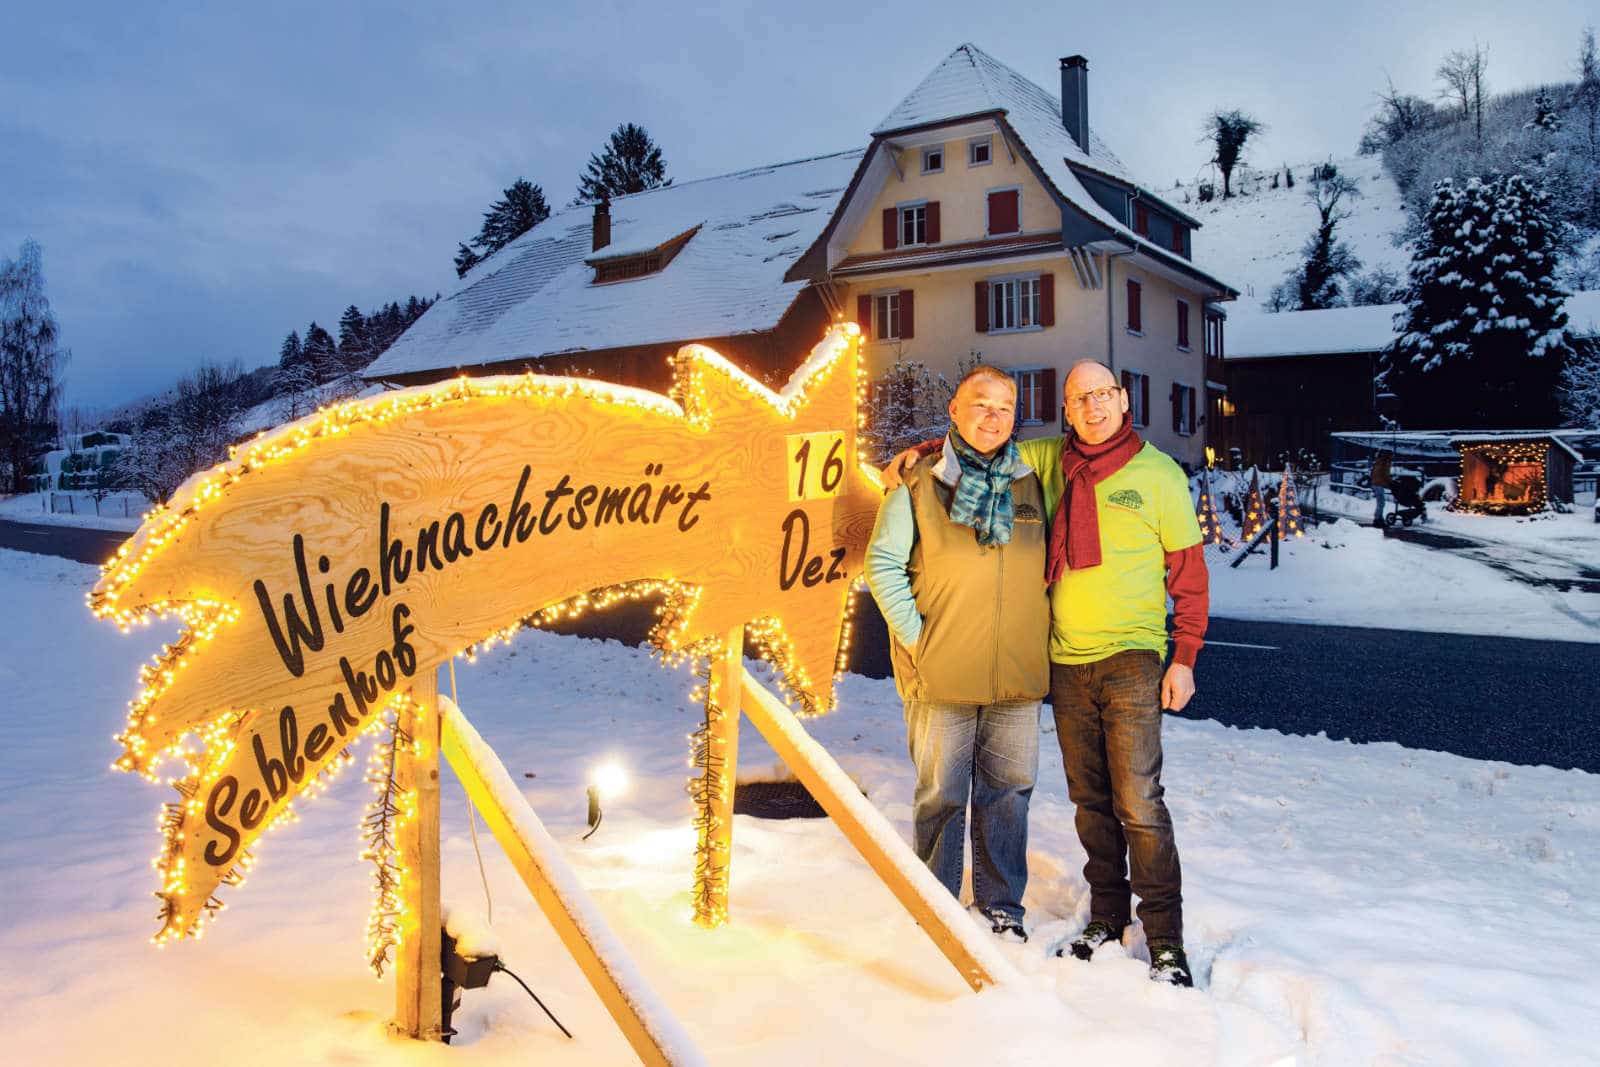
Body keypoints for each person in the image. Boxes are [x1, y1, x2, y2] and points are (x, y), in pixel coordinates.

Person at [885, 359, 1208, 986]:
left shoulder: (1159, 473)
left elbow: (1189, 577)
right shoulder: (1050, 459)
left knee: (1139, 801)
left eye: (1103, 394)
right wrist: (919, 451)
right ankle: (1107, 919)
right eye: (1077, 398)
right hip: (1062, 659)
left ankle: (1166, 939)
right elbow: (976, 440)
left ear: (1123, 398)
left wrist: (1186, 657)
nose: (1091, 407)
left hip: (1133, 657)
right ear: (1066, 410)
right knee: (1091, 801)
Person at [864, 366, 1050, 942]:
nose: (992, 417)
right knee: (942, 796)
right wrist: (917, 637)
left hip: (1017, 672)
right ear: (954, 409)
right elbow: (882, 565)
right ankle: (937, 908)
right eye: (980, 404)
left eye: (1004, 406)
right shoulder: (918, 484)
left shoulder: (1032, 481)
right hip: (940, 670)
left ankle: (1001, 907)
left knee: (1008, 796)